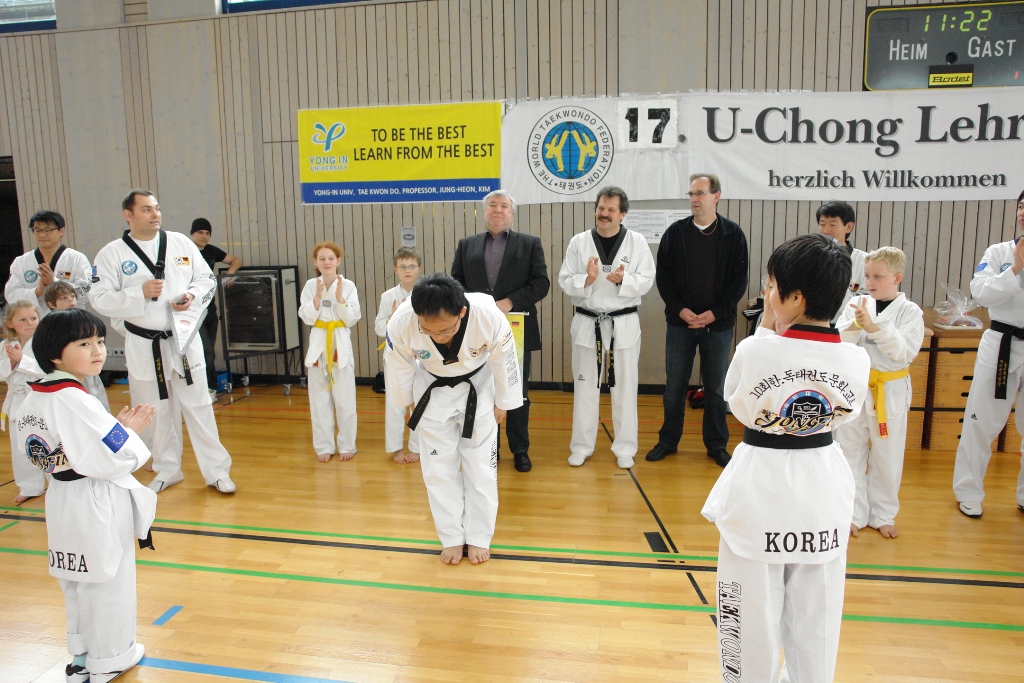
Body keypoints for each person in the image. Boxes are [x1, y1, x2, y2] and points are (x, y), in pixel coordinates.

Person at [702, 233, 870, 682]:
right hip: (823, 486)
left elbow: (738, 404)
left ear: (795, 298)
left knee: (749, 619)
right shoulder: (856, 360)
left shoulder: (755, 349)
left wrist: (767, 328)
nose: (767, 293)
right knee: (817, 621)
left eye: (772, 286)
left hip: (763, 486)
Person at [13, 309, 156, 683]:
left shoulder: (34, 397)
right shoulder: (76, 399)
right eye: (84, 343)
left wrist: (113, 429)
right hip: (96, 498)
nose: (98, 351)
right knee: (108, 579)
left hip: (62, 496)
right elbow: (119, 455)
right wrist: (130, 431)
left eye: (100, 341)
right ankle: (110, 659)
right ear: (55, 354)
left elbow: (46, 451)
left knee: (76, 577)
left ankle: (81, 657)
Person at [90, 189, 236, 494]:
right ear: (128, 215)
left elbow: (206, 279)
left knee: (199, 405)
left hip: (183, 339)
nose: (155, 214)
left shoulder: (180, 242)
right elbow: (99, 299)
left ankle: (217, 472)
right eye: (146, 209)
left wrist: (192, 295)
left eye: (156, 208)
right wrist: (138, 293)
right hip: (145, 343)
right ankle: (167, 469)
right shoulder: (112, 254)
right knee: (156, 410)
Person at [384, 273, 522, 565]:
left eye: (445, 329)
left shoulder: (488, 315)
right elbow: (398, 364)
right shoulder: (402, 320)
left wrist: (504, 401)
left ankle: (479, 536)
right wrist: (407, 400)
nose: (438, 337)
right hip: (432, 390)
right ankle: (451, 537)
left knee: (481, 468)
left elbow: (506, 358)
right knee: (438, 469)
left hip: (479, 387)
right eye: (428, 330)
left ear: (461, 311)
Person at [646, 173, 748, 468]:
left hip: (718, 325)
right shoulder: (675, 233)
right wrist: (680, 309)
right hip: (681, 324)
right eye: (691, 194)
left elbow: (739, 281)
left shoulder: (733, 234)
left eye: (700, 193)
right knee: (674, 386)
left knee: (716, 389)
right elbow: (664, 277)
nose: (694, 199)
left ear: (716, 196)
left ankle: (716, 444)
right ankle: (668, 441)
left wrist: (715, 313)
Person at [451, 189, 550, 473]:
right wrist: (474, 305)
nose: (498, 209)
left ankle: (520, 449)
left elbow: (540, 283)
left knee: (516, 389)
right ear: (484, 212)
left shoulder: (529, 244)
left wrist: (510, 302)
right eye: (492, 205)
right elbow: (455, 282)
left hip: (516, 328)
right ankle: (488, 449)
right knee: (482, 388)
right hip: (476, 329)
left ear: (512, 214)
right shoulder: (467, 245)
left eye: (504, 206)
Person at [558, 186, 655, 469]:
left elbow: (647, 279)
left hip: (622, 322)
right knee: (585, 386)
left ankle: (625, 447)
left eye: (611, 209)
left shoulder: (637, 242)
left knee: (624, 387)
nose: (605, 214)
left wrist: (624, 280)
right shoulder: (579, 241)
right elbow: (565, 279)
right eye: (601, 208)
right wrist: (587, 279)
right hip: (588, 320)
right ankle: (581, 446)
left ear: (622, 214)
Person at [835, 247, 924, 539]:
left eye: (878, 276)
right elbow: (839, 342)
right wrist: (855, 325)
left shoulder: (910, 312)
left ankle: (883, 514)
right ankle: (852, 512)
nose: (870, 282)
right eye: (867, 275)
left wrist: (874, 328)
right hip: (856, 387)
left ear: (897, 278)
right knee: (849, 450)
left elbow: (904, 353)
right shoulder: (857, 303)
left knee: (887, 456)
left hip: (890, 390)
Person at [953, 188, 1024, 518]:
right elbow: (979, 292)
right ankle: (968, 491)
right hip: (1002, 343)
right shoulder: (999, 252)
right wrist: (1015, 269)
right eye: (1021, 206)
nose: (1023, 212)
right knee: (980, 419)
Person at [299, 241, 360, 462]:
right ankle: (323, 445)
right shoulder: (310, 285)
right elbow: (306, 317)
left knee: (345, 400)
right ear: (315, 262)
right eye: (322, 259)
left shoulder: (348, 285)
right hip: (318, 344)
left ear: (338, 261)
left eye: (331, 258)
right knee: (319, 400)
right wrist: (316, 300)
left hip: (340, 342)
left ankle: (347, 445)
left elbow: (352, 318)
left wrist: (341, 299)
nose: (327, 262)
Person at [375, 247, 422, 464]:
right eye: (402, 267)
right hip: (395, 355)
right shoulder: (388, 297)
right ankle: (395, 448)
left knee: (419, 401)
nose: (407, 270)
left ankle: (417, 447)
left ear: (419, 268)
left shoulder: (426, 294)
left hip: (421, 354)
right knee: (395, 402)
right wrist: (391, 318)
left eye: (411, 266)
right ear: (395, 269)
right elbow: (378, 328)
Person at [189, 218, 243, 394]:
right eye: (200, 232)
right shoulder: (185, 251)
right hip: (192, 309)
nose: (204, 236)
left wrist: (229, 274)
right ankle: (207, 388)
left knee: (210, 350)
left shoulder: (211, 251)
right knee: (204, 351)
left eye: (207, 233)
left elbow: (236, 260)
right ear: (192, 233)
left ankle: (209, 387)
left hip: (209, 307)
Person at [4, 210, 91, 314]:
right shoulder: (21, 262)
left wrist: (55, 283)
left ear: (61, 231)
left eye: (47, 230)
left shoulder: (77, 258)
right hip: (35, 320)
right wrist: (37, 291)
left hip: (70, 318)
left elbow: (88, 292)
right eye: (37, 230)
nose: (42, 235)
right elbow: (11, 295)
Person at [0, 300, 44, 504]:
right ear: (10, 323)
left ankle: (56, 481)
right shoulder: (5, 346)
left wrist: (22, 359)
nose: (29, 323)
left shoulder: (44, 342)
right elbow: (1, 374)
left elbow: (46, 371)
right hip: (17, 399)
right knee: (20, 445)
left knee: (46, 442)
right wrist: (11, 361)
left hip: (39, 398)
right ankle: (29, 486)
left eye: (33, 318)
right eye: (23, 320)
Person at [44, 281, 111, 412]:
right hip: (68, 373)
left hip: (89, 370)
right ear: (51, 304)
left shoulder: (83, 322)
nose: (70, 300)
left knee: (98, 401)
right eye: (64, 298)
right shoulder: (50, 328)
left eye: (72, 296)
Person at [816, 200, 866, 323]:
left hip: (850, 325)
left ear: (848, 227)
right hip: (815, 324)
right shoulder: (809, 257)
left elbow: (869, 298)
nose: (826, 230)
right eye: (822, 224)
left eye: (833, 224)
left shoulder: (865, 261)